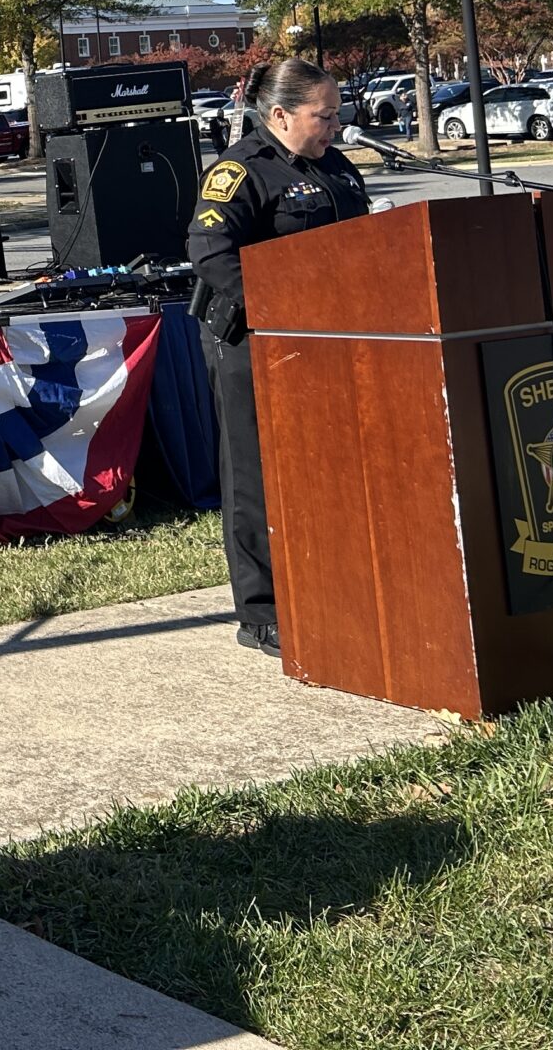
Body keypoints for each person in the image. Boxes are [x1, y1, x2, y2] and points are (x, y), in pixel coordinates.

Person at [186, 58, 371, 657]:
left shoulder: (336, 166)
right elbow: (212, 254)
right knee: (254, 473)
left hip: (329, 338)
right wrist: (286, 309)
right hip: (252, 339)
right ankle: (261, 612)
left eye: (338, 114)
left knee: (328, 465)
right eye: (325, 115)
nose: (336, 126)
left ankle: (329, 582)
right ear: (280, 115)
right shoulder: (239, 171)